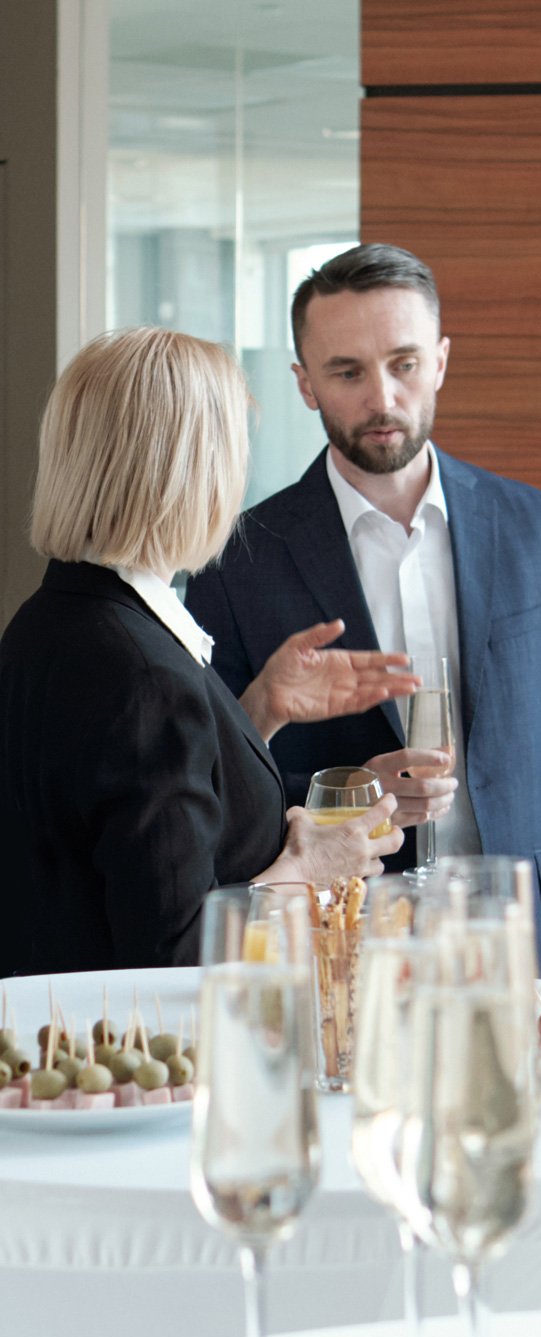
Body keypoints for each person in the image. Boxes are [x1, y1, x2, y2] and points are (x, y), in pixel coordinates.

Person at [185, 242, 541, 971]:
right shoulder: (235, 558)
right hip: (341, 943)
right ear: (305, 384)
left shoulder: (535, 527)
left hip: (522, 940)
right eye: (347, 372)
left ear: (442, 361)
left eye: (404, 363)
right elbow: (215, 791)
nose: (383, 398)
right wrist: (358, 792)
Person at [0, 327, 414, 976]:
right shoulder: (141, 672)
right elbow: (177, 947)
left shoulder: (52, 620)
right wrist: (310, 872)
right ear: (190, 471)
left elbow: (134, 824)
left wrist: (255, 713)